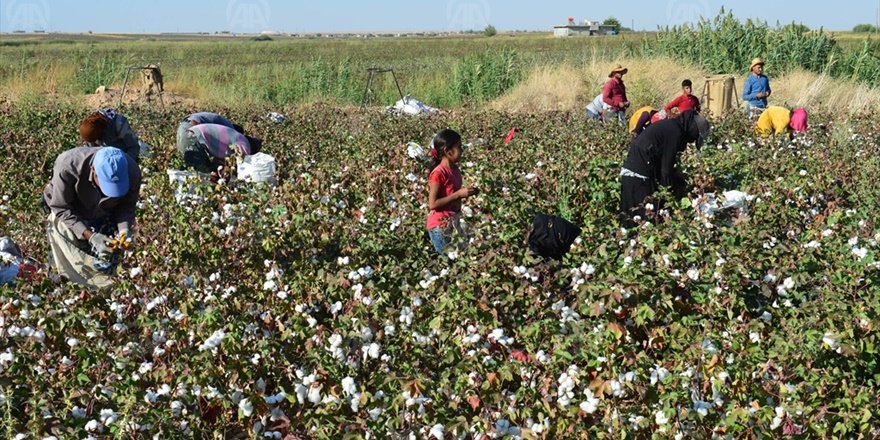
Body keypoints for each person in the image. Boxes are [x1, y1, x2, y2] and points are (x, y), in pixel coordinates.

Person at [43, 146, 141, 289]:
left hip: (104, 211)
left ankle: (106, 282)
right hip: (68, 211)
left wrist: (124, 231)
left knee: (109, 256)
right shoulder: (68, 165)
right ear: (93, 170)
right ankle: (70, 281)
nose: (111, 193)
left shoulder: (132, 170)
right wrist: (91, 236)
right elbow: (61, 207)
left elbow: (127, 205)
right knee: (67, 245)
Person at [619, 110, 710, 228]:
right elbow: (665, 169)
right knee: (645, 222)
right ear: (692, 129)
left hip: (634, 172)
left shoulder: (672, 126)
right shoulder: (675, 131)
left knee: (632, 221)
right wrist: (668, 198)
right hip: (639, 176)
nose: (692, 140)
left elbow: (664, 163)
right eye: (695, 136)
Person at [426, 129, 478, 254]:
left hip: (452, 222)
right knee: (448, 262)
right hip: (440, 226)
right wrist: (459, 194)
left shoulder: (455, 170)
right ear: (448, 152)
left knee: (459, 258)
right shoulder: (438, 173)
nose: (462, 150)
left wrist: (469, 193)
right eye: (459, 147)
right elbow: (432, 204)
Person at [178, 123, 262, 173]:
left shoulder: (236, 138)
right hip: (193, 138)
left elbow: (218, 163)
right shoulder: (245, 145)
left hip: (188, 135)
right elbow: (241, 167)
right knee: (200, 175)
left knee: (205, 172)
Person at [176, 112, 245, 153]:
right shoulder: (229, 129)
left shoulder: (223, 125)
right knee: (202, 170)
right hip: (191, 128)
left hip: (182, 127)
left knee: (192, 166)